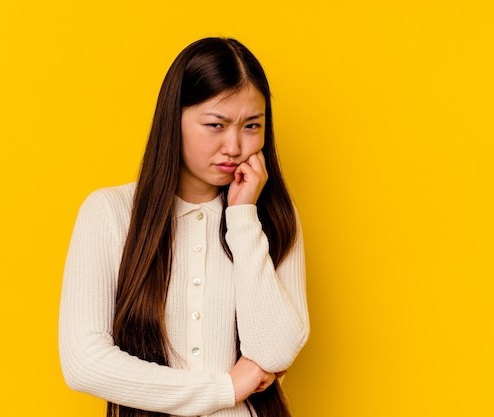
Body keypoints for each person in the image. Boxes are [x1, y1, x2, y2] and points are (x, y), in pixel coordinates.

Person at [59, 37, 309, 417]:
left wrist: (243, 218)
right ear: (172, 119)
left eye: (252, 126)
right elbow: (84, 361)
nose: (235, 146)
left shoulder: (272, 215)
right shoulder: (110, 213)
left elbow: (274, 350)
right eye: (215, 124)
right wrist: (224, 389)